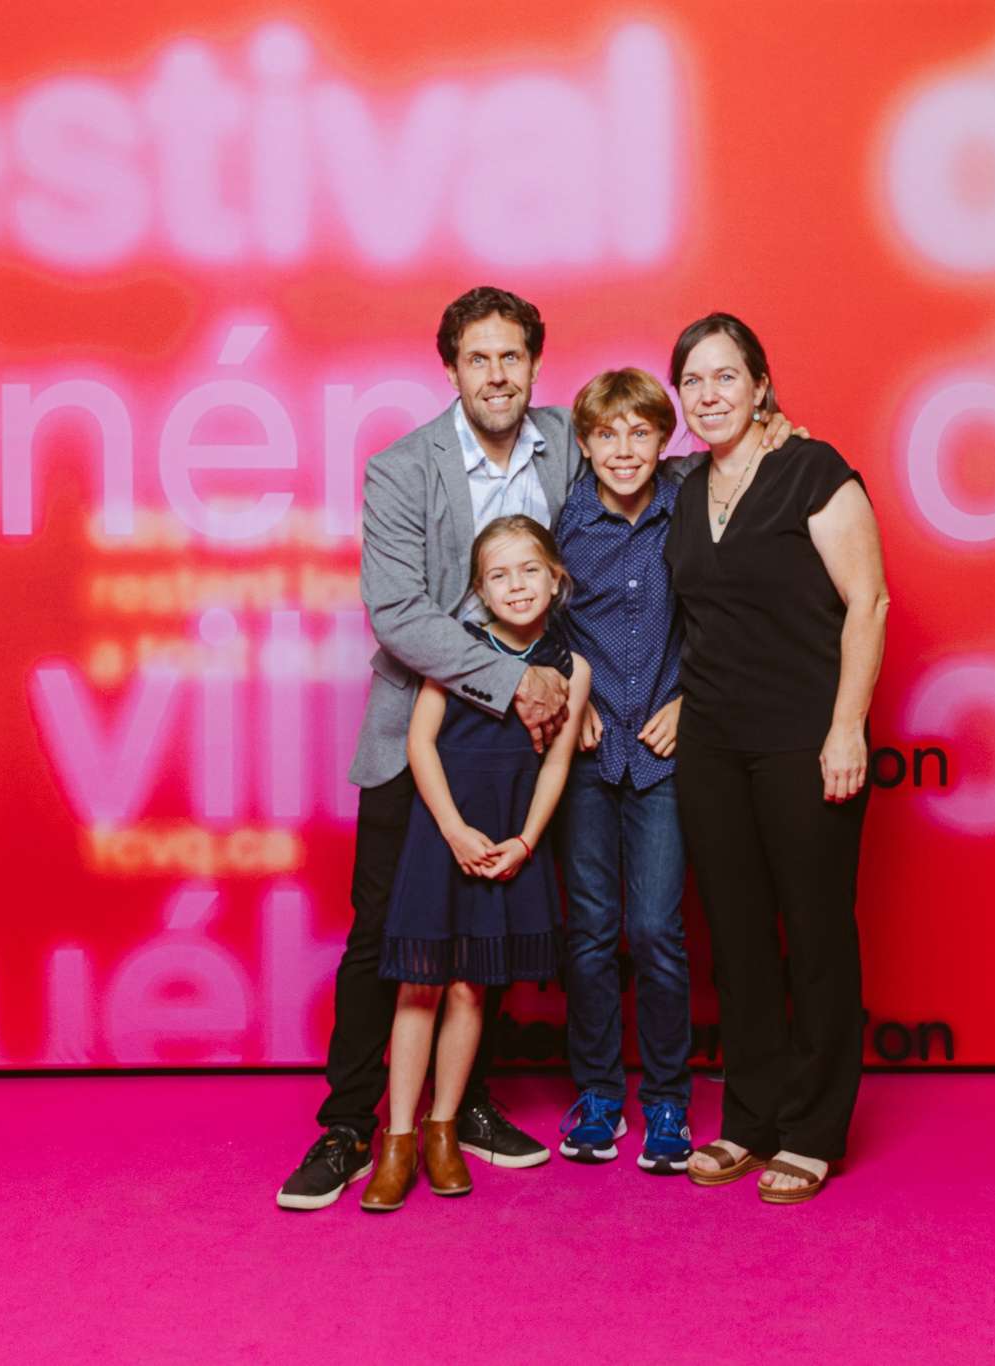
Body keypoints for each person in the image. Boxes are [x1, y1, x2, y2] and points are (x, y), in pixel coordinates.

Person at [275, 286, 801, 1212]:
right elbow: (397, 615)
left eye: (512, 357)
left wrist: (763, 432)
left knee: (492, 932)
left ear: (534, 366)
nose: (496, 375)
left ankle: (461, 1106)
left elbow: (656, 464)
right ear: (451, 369)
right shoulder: (403, 469)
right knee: (385, 940)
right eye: (478, 359)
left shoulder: (568, 438)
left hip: (543, 737)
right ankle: (352, 1124)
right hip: (429, 731)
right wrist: (513, 680)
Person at [662, 313, 889, 1205]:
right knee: (741, 940)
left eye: (726, 377)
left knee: (818, 934)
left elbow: (866, 604)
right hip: (713, 742)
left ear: (761, 384)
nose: (709, 395)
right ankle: (749, 1121)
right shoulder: (685, 490)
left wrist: (847, 728)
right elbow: (708, 619)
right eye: (694, 382)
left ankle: (813, 1130)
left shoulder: (814, 470)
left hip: (804, 735)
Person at [360, 518, 592, 1211]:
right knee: (421, 986)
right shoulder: (460, 649)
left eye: (529, 571)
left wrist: (525, 840)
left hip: (507, 834)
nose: (516, 586)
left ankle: (443, 1130)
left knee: (471, 989)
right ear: (480, 593)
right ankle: (397, 1139)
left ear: (556, 577)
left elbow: (556, 765)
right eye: (498, 576)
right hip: (445, 833)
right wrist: (454, 830)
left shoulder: (573, 667)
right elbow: (422, 744)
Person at [549, 369, 694, 1172]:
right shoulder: (563, 523)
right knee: (592, 934)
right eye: (608, 435)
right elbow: (535, 614)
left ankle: (668, 1099)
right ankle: (600, 1091)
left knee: (657, 932)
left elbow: (725, 610)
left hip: (666, 753)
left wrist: (694, 700)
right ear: (586, 444)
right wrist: (573, 694)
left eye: (641, 432)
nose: (625, 449)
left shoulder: (693, 506)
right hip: (588, 752)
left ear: (664, 439)